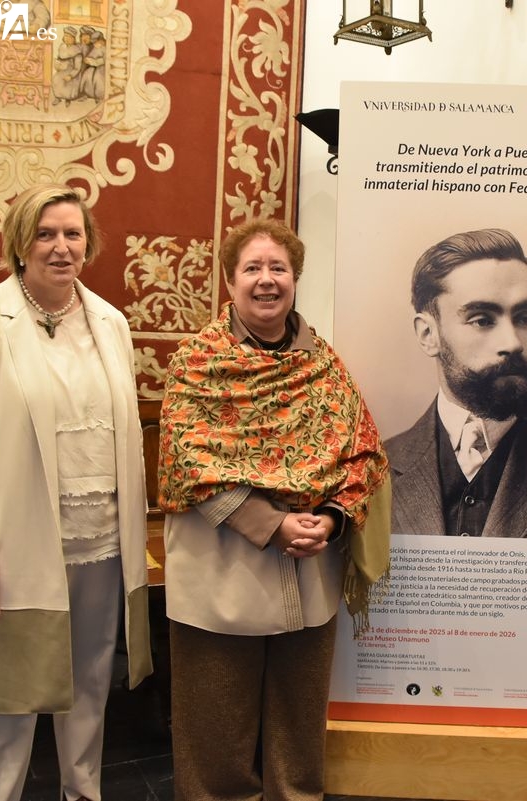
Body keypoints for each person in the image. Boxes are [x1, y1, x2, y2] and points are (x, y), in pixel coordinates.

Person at [158, 218, 391, 801]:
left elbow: (362, 450)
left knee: (299, 733)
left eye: (279, 269)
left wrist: (333, 518)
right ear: (230, 282)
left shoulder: (325, 365)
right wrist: (271, 523)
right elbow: (187, 457)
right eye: (253, 269)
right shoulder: (198, 361)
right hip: (221, 573)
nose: (267, 281)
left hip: (308, 570)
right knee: (215, 737)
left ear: (295, 279)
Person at [0, 183, 152, 801]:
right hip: (17, 545)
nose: (61, 248)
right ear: (19, 243)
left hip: (101, 541)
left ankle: (81, 792)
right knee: (6, 694)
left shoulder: (111, 322)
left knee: (88, 682)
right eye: (46, 234)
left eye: (73, 234)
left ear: (89, 242)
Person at [386, 228, 527, 540]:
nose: (513, 343)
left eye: (525, 318)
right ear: (429, 335)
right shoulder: (374, 471)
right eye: (482, 320)